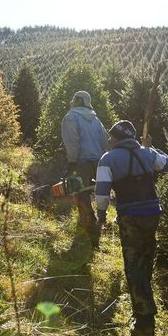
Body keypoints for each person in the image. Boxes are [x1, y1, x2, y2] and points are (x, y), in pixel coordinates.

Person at [94, 120, 168, 336]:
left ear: (117, 138)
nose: (108, 140)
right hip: (152, 213)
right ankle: (145, 303)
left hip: (130, 217)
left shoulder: (108, 158)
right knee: (146, 258)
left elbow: (102, 192)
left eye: (111, 136)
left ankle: (144, 324)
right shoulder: (147, 153)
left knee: (133, 266)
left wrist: (101, 214)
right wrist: (151, 148)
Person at [61, 90, 109, 248]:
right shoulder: (96, 119)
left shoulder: (70, 117)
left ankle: (90, 231)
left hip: (81, 161)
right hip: (99, 161)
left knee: (81, 194)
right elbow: (105, 140)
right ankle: (89, 224)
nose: (71, 100)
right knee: (96, 191)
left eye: (74, 98)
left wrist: (72, 161)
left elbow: (72, 141)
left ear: (78, 101)